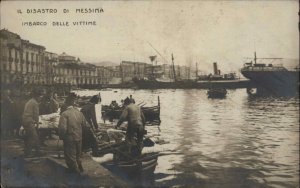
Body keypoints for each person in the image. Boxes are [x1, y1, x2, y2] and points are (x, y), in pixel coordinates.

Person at [58, 94, 87, 174]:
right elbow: (84, 125)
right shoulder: (79, 113)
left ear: (66, 104)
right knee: (78, 155)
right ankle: (80, 167)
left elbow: (63, 128)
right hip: (79, 137)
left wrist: (61, 136)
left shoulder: (64, 114)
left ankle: (76, 175)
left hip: (69, 138)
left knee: (70, 157)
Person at [22, 88, 43, 157]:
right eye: (40, 97)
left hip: (25, 120)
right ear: (37, 96)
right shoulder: (35, 103)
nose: (41, 98)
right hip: (29, 121)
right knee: (34, 137)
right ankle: (33, 152)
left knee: (29, 137)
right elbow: (36, 115)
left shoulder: (30, 101)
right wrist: (37, 124)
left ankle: (32, 152)